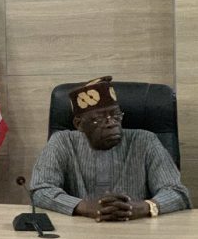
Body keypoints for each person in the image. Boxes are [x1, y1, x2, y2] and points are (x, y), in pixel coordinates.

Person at [31, 76, 191, 221]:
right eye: (99, 119)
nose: (111, 123)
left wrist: (143, 207)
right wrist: (84, 207)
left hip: (137, 228)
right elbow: (40, 190)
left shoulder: (145, 140)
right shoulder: (63, 142)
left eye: (116, 115)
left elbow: (177, 193)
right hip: (80, 230)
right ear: (79, 124)